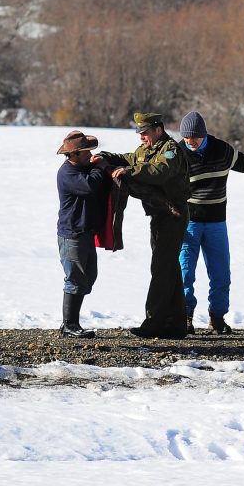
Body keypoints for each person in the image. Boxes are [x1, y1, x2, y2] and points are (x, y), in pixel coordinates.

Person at [98, 112, 190, 339]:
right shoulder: (147, 150)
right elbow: (130, 158)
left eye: (145, 133)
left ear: (158, 130)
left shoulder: (170, 150)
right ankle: (177, 324)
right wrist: (105, 157)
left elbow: (159, 171)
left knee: (160, 268)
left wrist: (130, 172)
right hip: (160, 215)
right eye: (139, 133)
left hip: (173, 216)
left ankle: (154, 322)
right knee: (169, 268)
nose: (142, 137)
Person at [177, 110, 244, 335]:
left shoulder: (222, 150)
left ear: (204, 134)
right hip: (189, 222)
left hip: (217, 222)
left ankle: (217, 318)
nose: (190, 142)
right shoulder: (178, 153)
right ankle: (185, 318)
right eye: (186, 137)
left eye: (194, 137)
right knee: (185, 272)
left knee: (220, 274)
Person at [56, 130, 110, 338]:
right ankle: (69, 324)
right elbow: (91, 185)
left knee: (88, 276)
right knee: (75, 278)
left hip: (83, 232)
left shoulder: (81, 168)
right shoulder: (67, 174)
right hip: (72, 234)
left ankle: (70, 323)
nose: (90, 154)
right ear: (74, 155)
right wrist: (100, 166)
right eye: (86, 151)